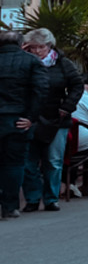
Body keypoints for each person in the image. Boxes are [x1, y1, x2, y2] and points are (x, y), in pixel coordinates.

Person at [20, 29, 84, 212]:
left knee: (53, 160)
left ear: (49, 46)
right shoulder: (25, 62)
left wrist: (67, 107)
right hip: (30, 118)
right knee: (29, 161)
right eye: (33, 48)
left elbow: (77, 85)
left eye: (41, 47)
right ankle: (32, 198)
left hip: (57, 117)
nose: (37, 51)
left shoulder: (63, 63)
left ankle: (51, 198)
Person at [0, 29, 40, 220]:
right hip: (18, 118)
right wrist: (31, 117)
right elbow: (40, 90)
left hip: (12, 115)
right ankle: (10, 205)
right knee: (14, 163)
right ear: (21, 43)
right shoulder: (31, 62)